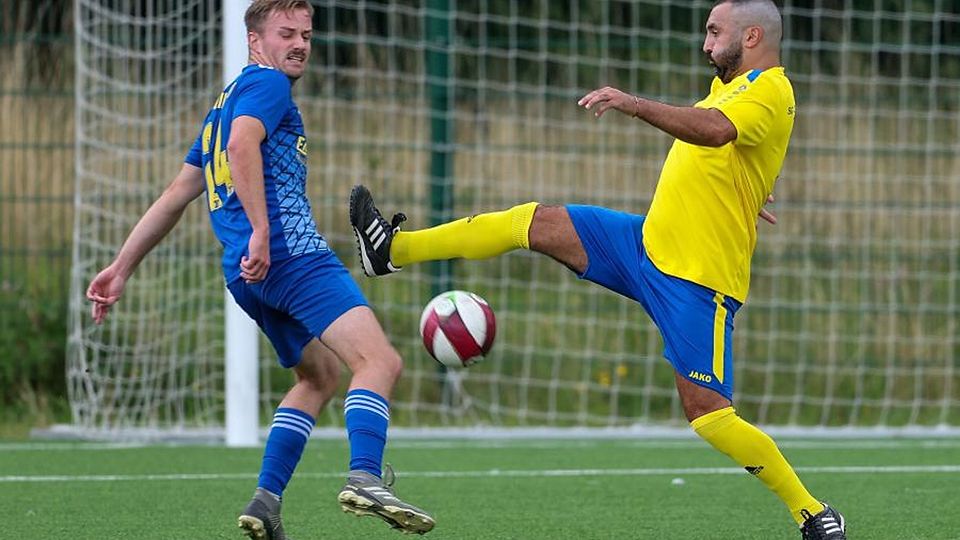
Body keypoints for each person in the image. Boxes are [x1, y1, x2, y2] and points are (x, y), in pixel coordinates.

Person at [349, 0, 846, 538]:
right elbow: (732, 147)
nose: (705, 44)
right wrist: (748, 186)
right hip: (644, 244)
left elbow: (714, 131)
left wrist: (633, 104)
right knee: (533, 222)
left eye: (713, 32)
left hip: (698, 283)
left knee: (709, 414)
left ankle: (813, 511)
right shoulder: (732, 87)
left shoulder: (771, 88)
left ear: (751, 36)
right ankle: (392, 251)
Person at [85, 1, 434, 538]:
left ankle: (266, 502)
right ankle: (365, 476)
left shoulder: (223, 104)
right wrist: (264, 230)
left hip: (246, 274)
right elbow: (242, 144)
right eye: (286, 33)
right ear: (254, 41)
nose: (299, 43)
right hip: (290, 256)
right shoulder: (268, 87)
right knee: (380, 361)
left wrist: (121, 266)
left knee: (318, 377)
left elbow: (180, 192)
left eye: (307, 34)